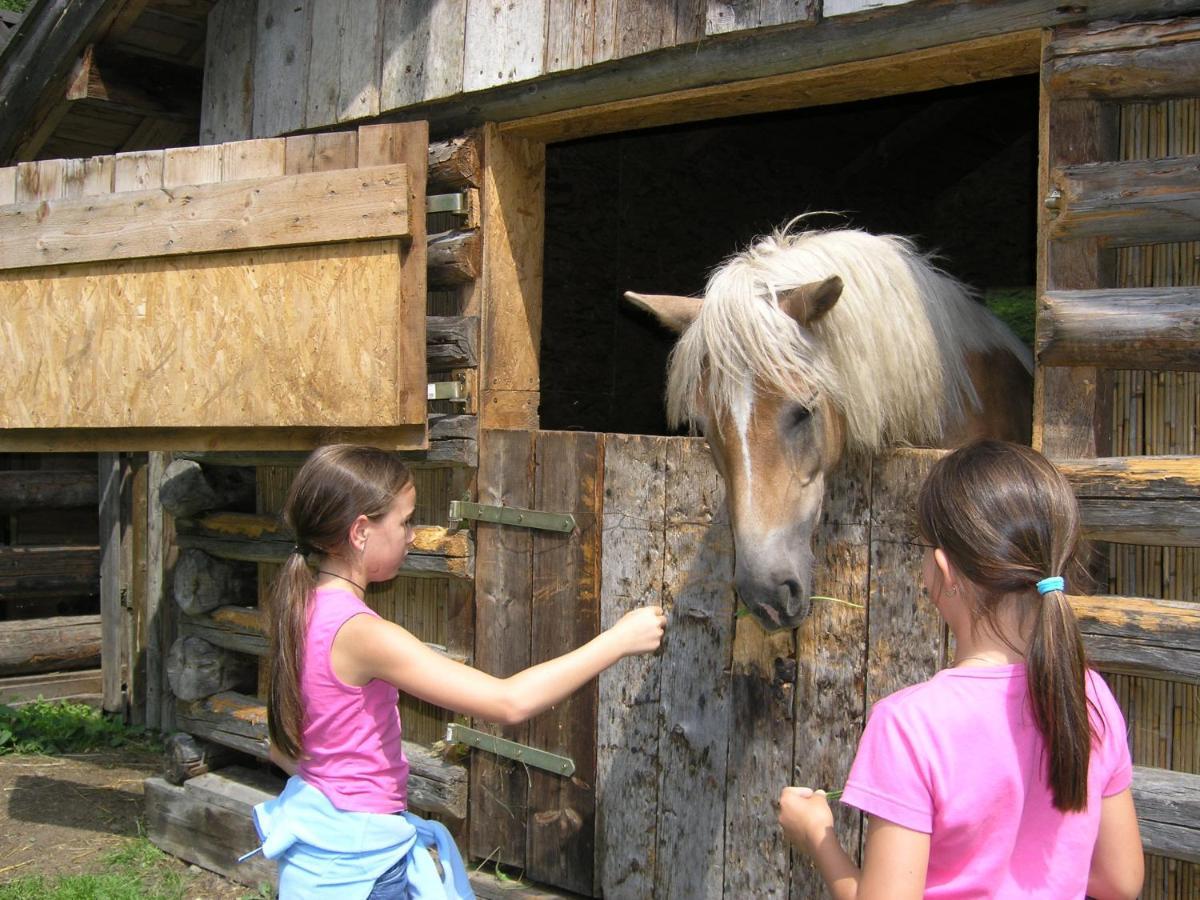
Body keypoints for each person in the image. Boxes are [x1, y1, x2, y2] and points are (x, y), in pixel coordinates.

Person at [248, 444, 668, 898]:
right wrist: (619, 641)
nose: (412, 535)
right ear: (360, 531)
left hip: (319, 857)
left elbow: (281, 747)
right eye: (405, 520)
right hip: (362, 869)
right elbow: (509, 702)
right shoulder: (362, 634)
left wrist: (343, 788)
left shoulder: (300, 606)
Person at [779, 440, 1143, 900]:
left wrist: (817, 836)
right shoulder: (1090, 696)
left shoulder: (910, 725)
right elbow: (1120, 881)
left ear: (943, 569)